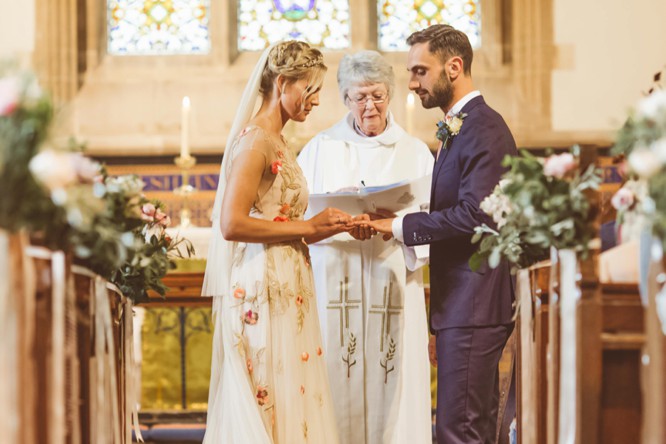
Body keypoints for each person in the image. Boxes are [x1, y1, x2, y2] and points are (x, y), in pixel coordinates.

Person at [363, 25, 517, 443]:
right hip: (462, 307)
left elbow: (477, 217)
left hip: (476, 304)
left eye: (420, 71)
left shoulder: (483, 126)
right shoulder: (459, 127)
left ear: (454, 66)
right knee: (471, 427)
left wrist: (398, 226)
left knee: (460, 430)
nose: (411, 84)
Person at [201, 41, 353, 444]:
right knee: (268, 395)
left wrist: (324, 226)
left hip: (286, 282)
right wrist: (306, 229)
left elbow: (283, 216)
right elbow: (232, 224)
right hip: (260, 285)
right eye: (311, 88)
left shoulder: (279, 139)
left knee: (293, 397)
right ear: (283, 83)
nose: (317, 100)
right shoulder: (256, 142)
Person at [297, 50, 433, 444]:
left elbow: (433, 222)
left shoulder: (416, 153)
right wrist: (340, 218)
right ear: (345, 99)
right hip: (334, 278)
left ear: (389, 95)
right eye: (360, 97)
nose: (369, 106)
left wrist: (395, 224)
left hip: (392, 275)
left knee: (393, 381)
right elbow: (300, 218)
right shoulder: (319, 150)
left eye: (376, 95)